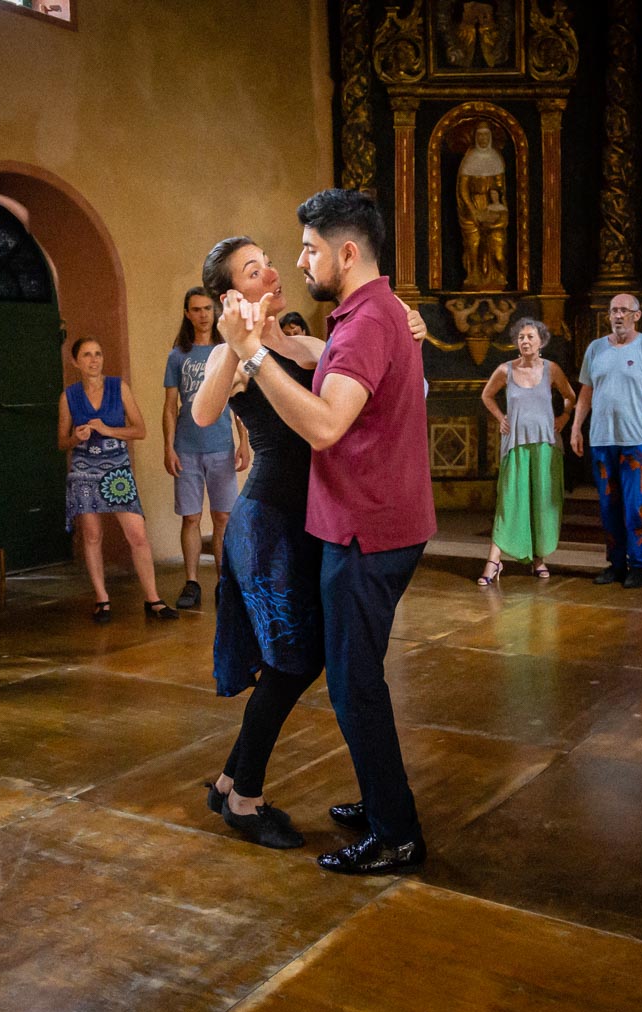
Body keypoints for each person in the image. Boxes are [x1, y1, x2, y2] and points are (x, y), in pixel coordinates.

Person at [217, 188, 436, 874]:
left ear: (346, 251)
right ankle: (381, 801)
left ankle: (395, 834)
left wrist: (252, 357)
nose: (300, 260)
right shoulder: (369, 312)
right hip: (368, 519)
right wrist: (263, 345)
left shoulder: (369, 320)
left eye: (309, 249)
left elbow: (323, 424)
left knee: (353, 683)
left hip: (367, 526)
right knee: (352, 674)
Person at [190, 236, 324, 849]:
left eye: (268, 258)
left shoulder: (299, 343)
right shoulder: (235, 355)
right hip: (267, 525)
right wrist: (233, 340)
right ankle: (246, 801)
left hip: (299, 523)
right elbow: (201, 412)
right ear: (231, 294)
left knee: (291, 662)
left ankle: (227, 781)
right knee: (292, 663)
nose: (271, 270)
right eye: (253, 268)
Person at [60, 336, 178, 622]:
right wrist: (76, 437)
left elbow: (140, 430)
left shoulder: (118, 387)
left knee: (137, 533)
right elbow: (62, 442)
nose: (94, 360)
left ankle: (153, 598)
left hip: (117, 469)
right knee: (91, 535)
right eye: (87, 355)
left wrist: (109, 430)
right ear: (75, 361)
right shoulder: (69, 395)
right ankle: (102, 598)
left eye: (98, 354)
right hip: (85, 468)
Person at [569, 293, 642, 589]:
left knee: (635, 506)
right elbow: (586, 393)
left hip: (636, 440)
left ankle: (637, 565)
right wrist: (576, 428)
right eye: (613, 310)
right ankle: (615, 563)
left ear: (636, 315)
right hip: (602, 439)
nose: (617, 316)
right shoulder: (595, 348)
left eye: (624, 310)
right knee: (607, 506)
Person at [162, 287, 248, 611]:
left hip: (221, 446)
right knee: (191, 517)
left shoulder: (227, 351)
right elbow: (170, 406)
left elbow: (239, 401)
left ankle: (224, 582)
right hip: (187, 447)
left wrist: (244, 442)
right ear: (187, 313)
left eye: (207, 309)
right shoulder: (178, 355)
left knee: (223, 516)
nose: (202, 315)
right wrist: (168, 447)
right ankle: (192, 581)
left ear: (214, 312)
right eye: (196, 309)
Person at [477, 317, 574, 585]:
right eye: (521, 337)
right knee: (509, 503)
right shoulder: (505, 370)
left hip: (546, 445)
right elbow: (486, 396)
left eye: (531, 337)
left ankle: (539, 559)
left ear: (541, 342)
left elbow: (570, 396)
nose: (525, 341)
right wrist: (500, 417)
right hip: (516, 445)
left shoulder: (552, 369)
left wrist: (564, 418)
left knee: (541, 504)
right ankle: (493, 560)